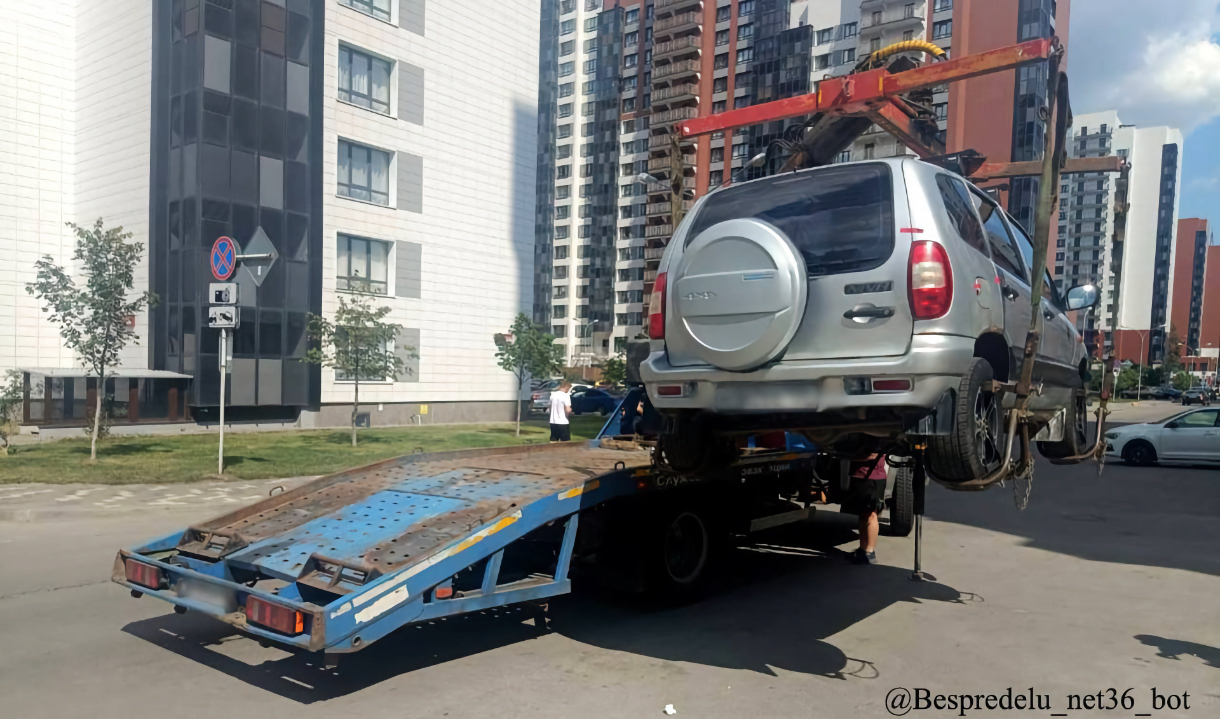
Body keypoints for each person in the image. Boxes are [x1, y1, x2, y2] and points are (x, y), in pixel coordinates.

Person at [842, 453, 888, 565]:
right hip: (860, 477)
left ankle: (870, 551)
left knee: (871, 514)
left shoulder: (878, 438)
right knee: (863, 515)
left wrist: (851, 457)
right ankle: (862, 549)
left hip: (872, 478)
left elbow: (873, 455)